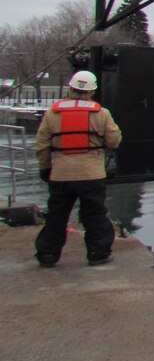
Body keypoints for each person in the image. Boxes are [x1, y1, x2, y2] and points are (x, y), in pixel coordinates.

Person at [34, 70, 122, 268]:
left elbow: (41, 145)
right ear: (92, 91)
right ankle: (97, 253)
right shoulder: (101, 113)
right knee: (95, 214)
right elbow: (114, 140)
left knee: (56, 215)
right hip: (91, 174)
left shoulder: (53, 113)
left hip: (61, 174)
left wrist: (45, 167)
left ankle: (48, 254)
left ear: (70, 87)